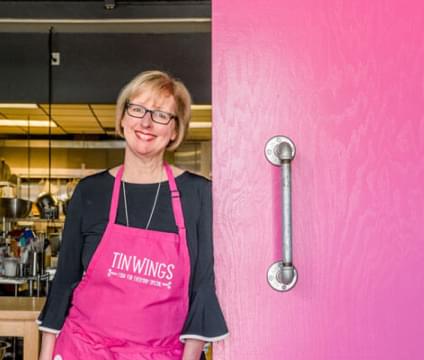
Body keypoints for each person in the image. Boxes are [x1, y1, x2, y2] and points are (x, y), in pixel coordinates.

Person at [38, 70, 228, 360]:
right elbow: (64, 282)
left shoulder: (198, 194)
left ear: (175, 130)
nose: (146, 122)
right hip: (83, 350)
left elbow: (202, 287)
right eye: (137, 109)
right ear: (123, 118)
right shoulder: (90, 192)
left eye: (161, 114)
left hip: (162, 354)